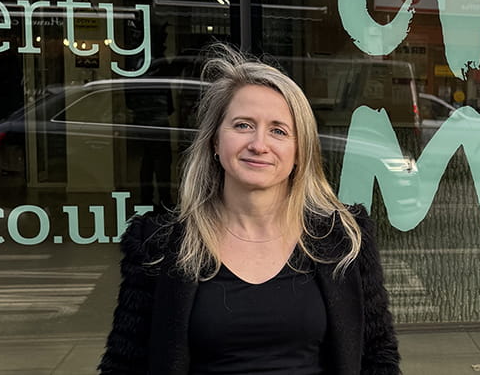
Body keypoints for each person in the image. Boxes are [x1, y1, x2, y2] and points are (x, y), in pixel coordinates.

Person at [99, 46, 400, 374]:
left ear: (300, 150)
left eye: (278, 131)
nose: (259, 144)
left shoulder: (344, 238)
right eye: (242, 125)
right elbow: (124, 364)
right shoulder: (157, 245)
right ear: (215, 141)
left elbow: (377, 356)